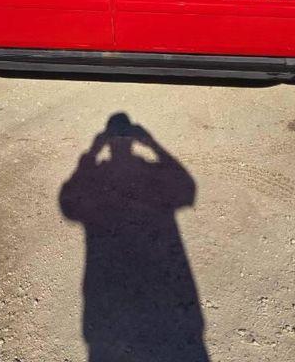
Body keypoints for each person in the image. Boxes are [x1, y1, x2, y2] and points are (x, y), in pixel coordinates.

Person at [60, 112, 209, 362]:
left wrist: (92, 154)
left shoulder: (98, 175)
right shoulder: (149, 171)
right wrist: (153, 145)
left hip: (105, 290)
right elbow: (186, 189)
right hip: (162, 284)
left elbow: (68, 203)